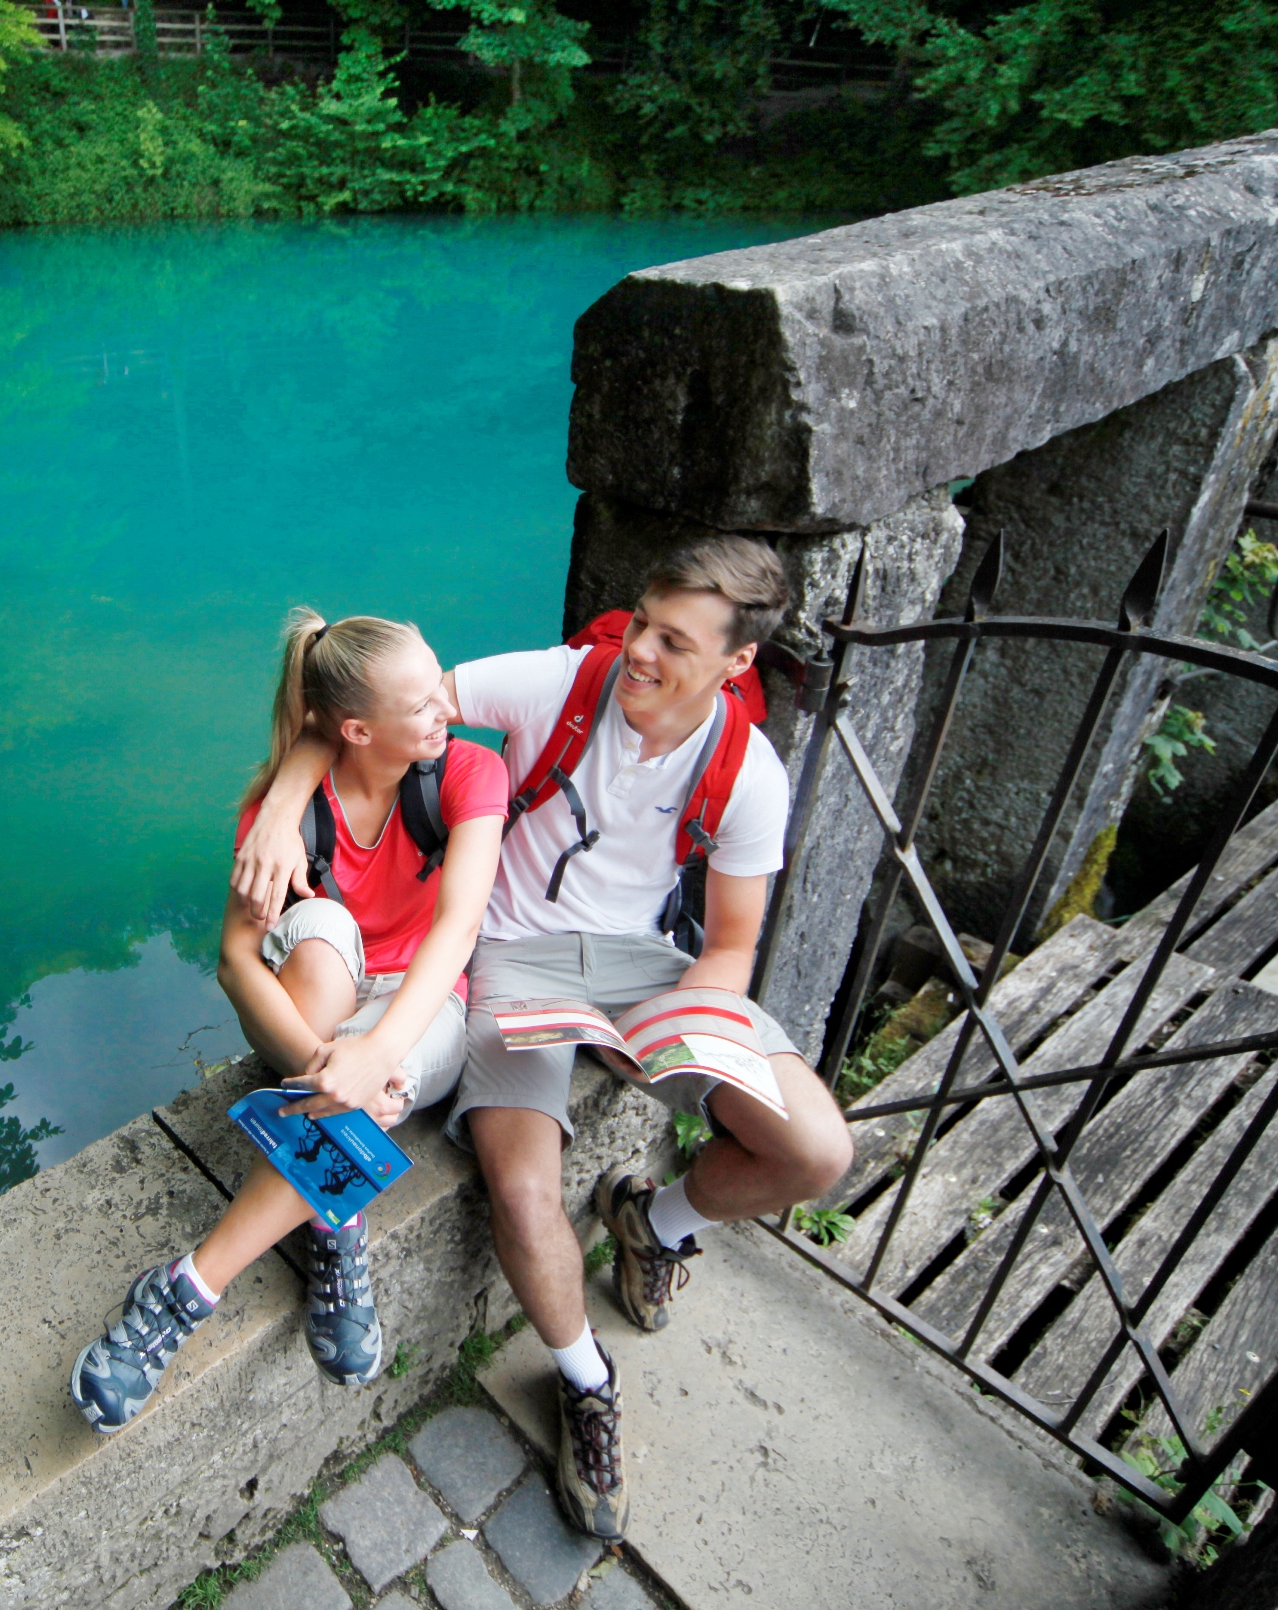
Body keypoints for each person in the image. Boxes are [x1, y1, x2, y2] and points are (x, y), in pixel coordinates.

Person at [233, 538, 854, 1538]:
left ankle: (660, 1222)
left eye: (673, 641)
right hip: (509, 963)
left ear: (738, 664)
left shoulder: (749, 776)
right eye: (642, 620)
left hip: (648, 967)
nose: (639, 651)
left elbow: (731, 944)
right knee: (522, 1190)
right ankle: (586, 1380)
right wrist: (285, 798)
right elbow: (368, 703)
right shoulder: (561, 683)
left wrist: (682, 1027)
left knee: (819, 1148)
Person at [70, 609, 507, 1433]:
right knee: (323, 930)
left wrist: (373, 1053)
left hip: (421, 999)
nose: (443, 707)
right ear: (354, 728)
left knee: (384, 1073)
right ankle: (334, 1211)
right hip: (314, 1001)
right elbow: (237, 960)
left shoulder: (468, 772)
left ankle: (190, 1284)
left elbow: (457, 929)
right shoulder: (284, 816)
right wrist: (326, 1063)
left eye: (435, 683)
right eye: (417, 704)